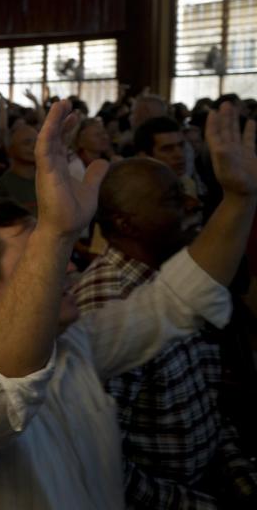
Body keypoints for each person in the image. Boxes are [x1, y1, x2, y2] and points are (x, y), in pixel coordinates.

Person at [0, 100, 257, 509]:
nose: (66, 266)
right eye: (34, 255)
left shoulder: (74, 344)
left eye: (55, 253)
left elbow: (175, 298)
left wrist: (239, 199)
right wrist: (54, 233)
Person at [73, 157, 257, 507]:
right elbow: (108, 468)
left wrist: (240, 481)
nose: (193, 202)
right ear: (126, 223)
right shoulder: (105, 306)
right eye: (173, 199)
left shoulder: (171, 279)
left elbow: (207, 406)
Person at [0, 123, 38, 215]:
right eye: (27, 143)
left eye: (37, 142)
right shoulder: (2, 187)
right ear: (11, 150)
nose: (34, 147)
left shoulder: (47, 180)